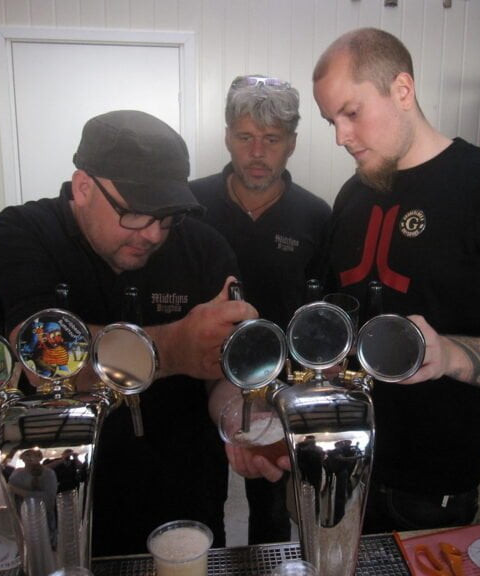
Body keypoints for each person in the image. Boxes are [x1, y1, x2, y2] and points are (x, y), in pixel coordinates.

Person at [226, 27, 480, 534]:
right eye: (330, 121)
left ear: (402, 90)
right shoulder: (352, 196)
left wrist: (448, 355)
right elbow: (321, 326)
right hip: (332, 468)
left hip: (429, 487)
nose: (341, 136)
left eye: (351, 113)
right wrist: (280, 413)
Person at [0, 110, 257, 555]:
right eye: (134, 213)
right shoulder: (23, 232)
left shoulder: (205, 248)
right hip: (64, 495)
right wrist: (169, 349)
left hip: (185, 494)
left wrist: (239, 423)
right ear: (84, 187)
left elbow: (219, 369)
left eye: (167, 216)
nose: (152, 233)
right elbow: (42, 359)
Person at [191, 75, 330, 544]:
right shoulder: (190, 205)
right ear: (227, 135)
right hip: (194, 382)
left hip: (279, 388)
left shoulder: (315, 217)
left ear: (291, 144)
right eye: (245, 137)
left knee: (271, 512)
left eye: (271, 140)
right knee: (197, 502)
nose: (256, 152)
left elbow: (321, 316)